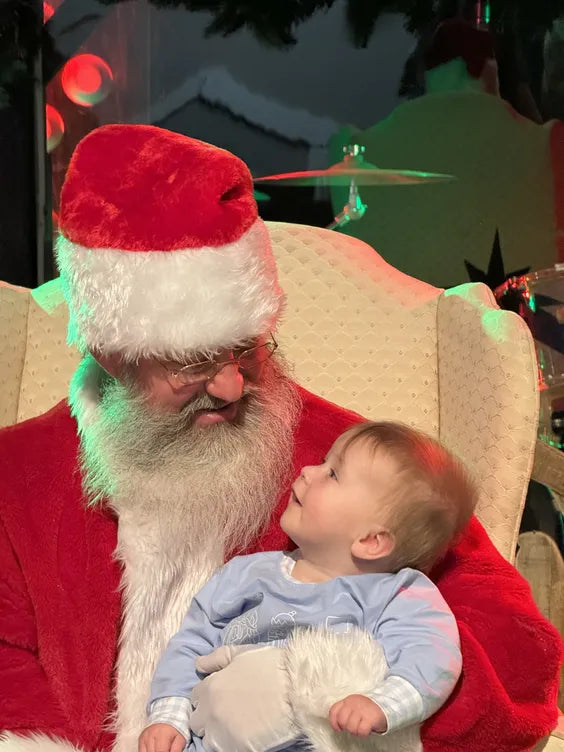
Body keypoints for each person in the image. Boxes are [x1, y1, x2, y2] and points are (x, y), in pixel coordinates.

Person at [0, 124, 559, 752]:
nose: (236, 388)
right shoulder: (16, 476)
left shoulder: (353, 461)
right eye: (193, 362)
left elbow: (515, 647)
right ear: (111, 353)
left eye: (247, 349)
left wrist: (318, 693)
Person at [139, 421, 477, 752]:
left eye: (332, 473)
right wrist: (170, 715)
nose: (307, 470)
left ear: (371, 540)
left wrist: (382, 704)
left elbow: (434, 654)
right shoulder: (247, 573)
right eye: (322, 462)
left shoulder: (394, 594)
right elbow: (192, 641)